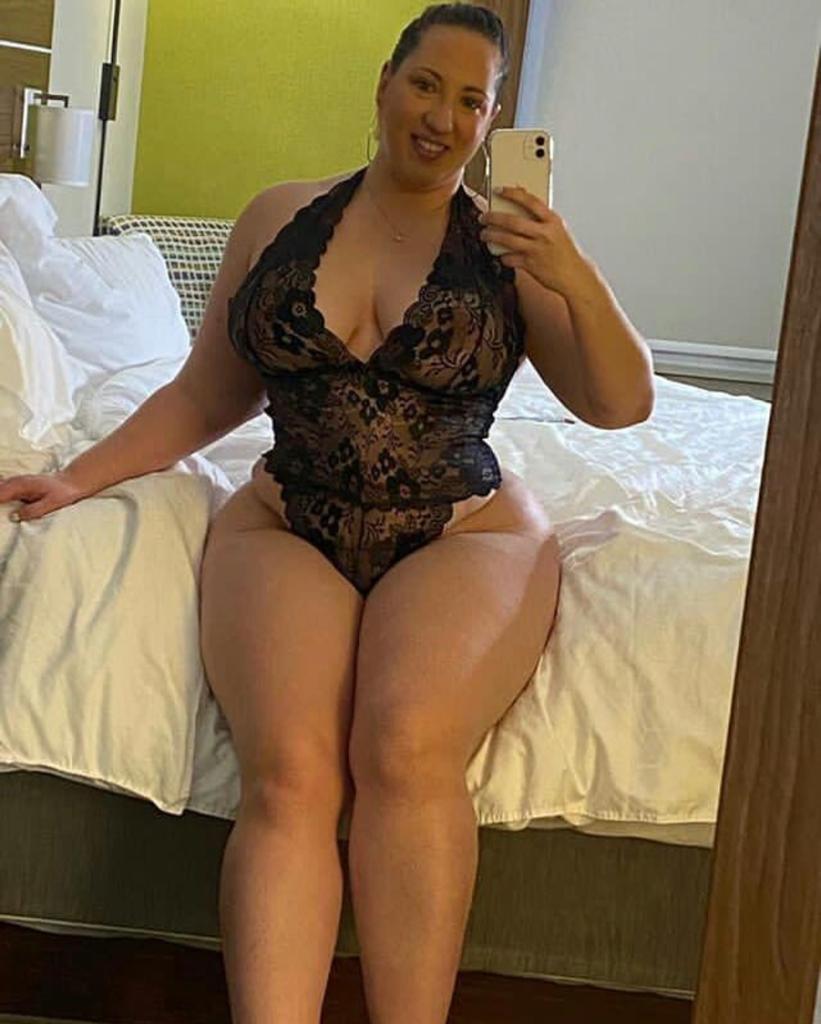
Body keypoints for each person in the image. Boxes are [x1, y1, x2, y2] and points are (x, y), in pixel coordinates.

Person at [0, 4, 654, 1021]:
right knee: (292, 775)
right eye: (425, 84)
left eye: (470, 100)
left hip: (462, 530)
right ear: (385, 82)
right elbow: (207, 392)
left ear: (492, 122)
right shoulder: (279, 217)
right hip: (287, 520)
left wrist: (573, 274)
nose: (440, 116)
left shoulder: (511, 252)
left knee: (403, 748)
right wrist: (81, 476)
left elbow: (618, 404)